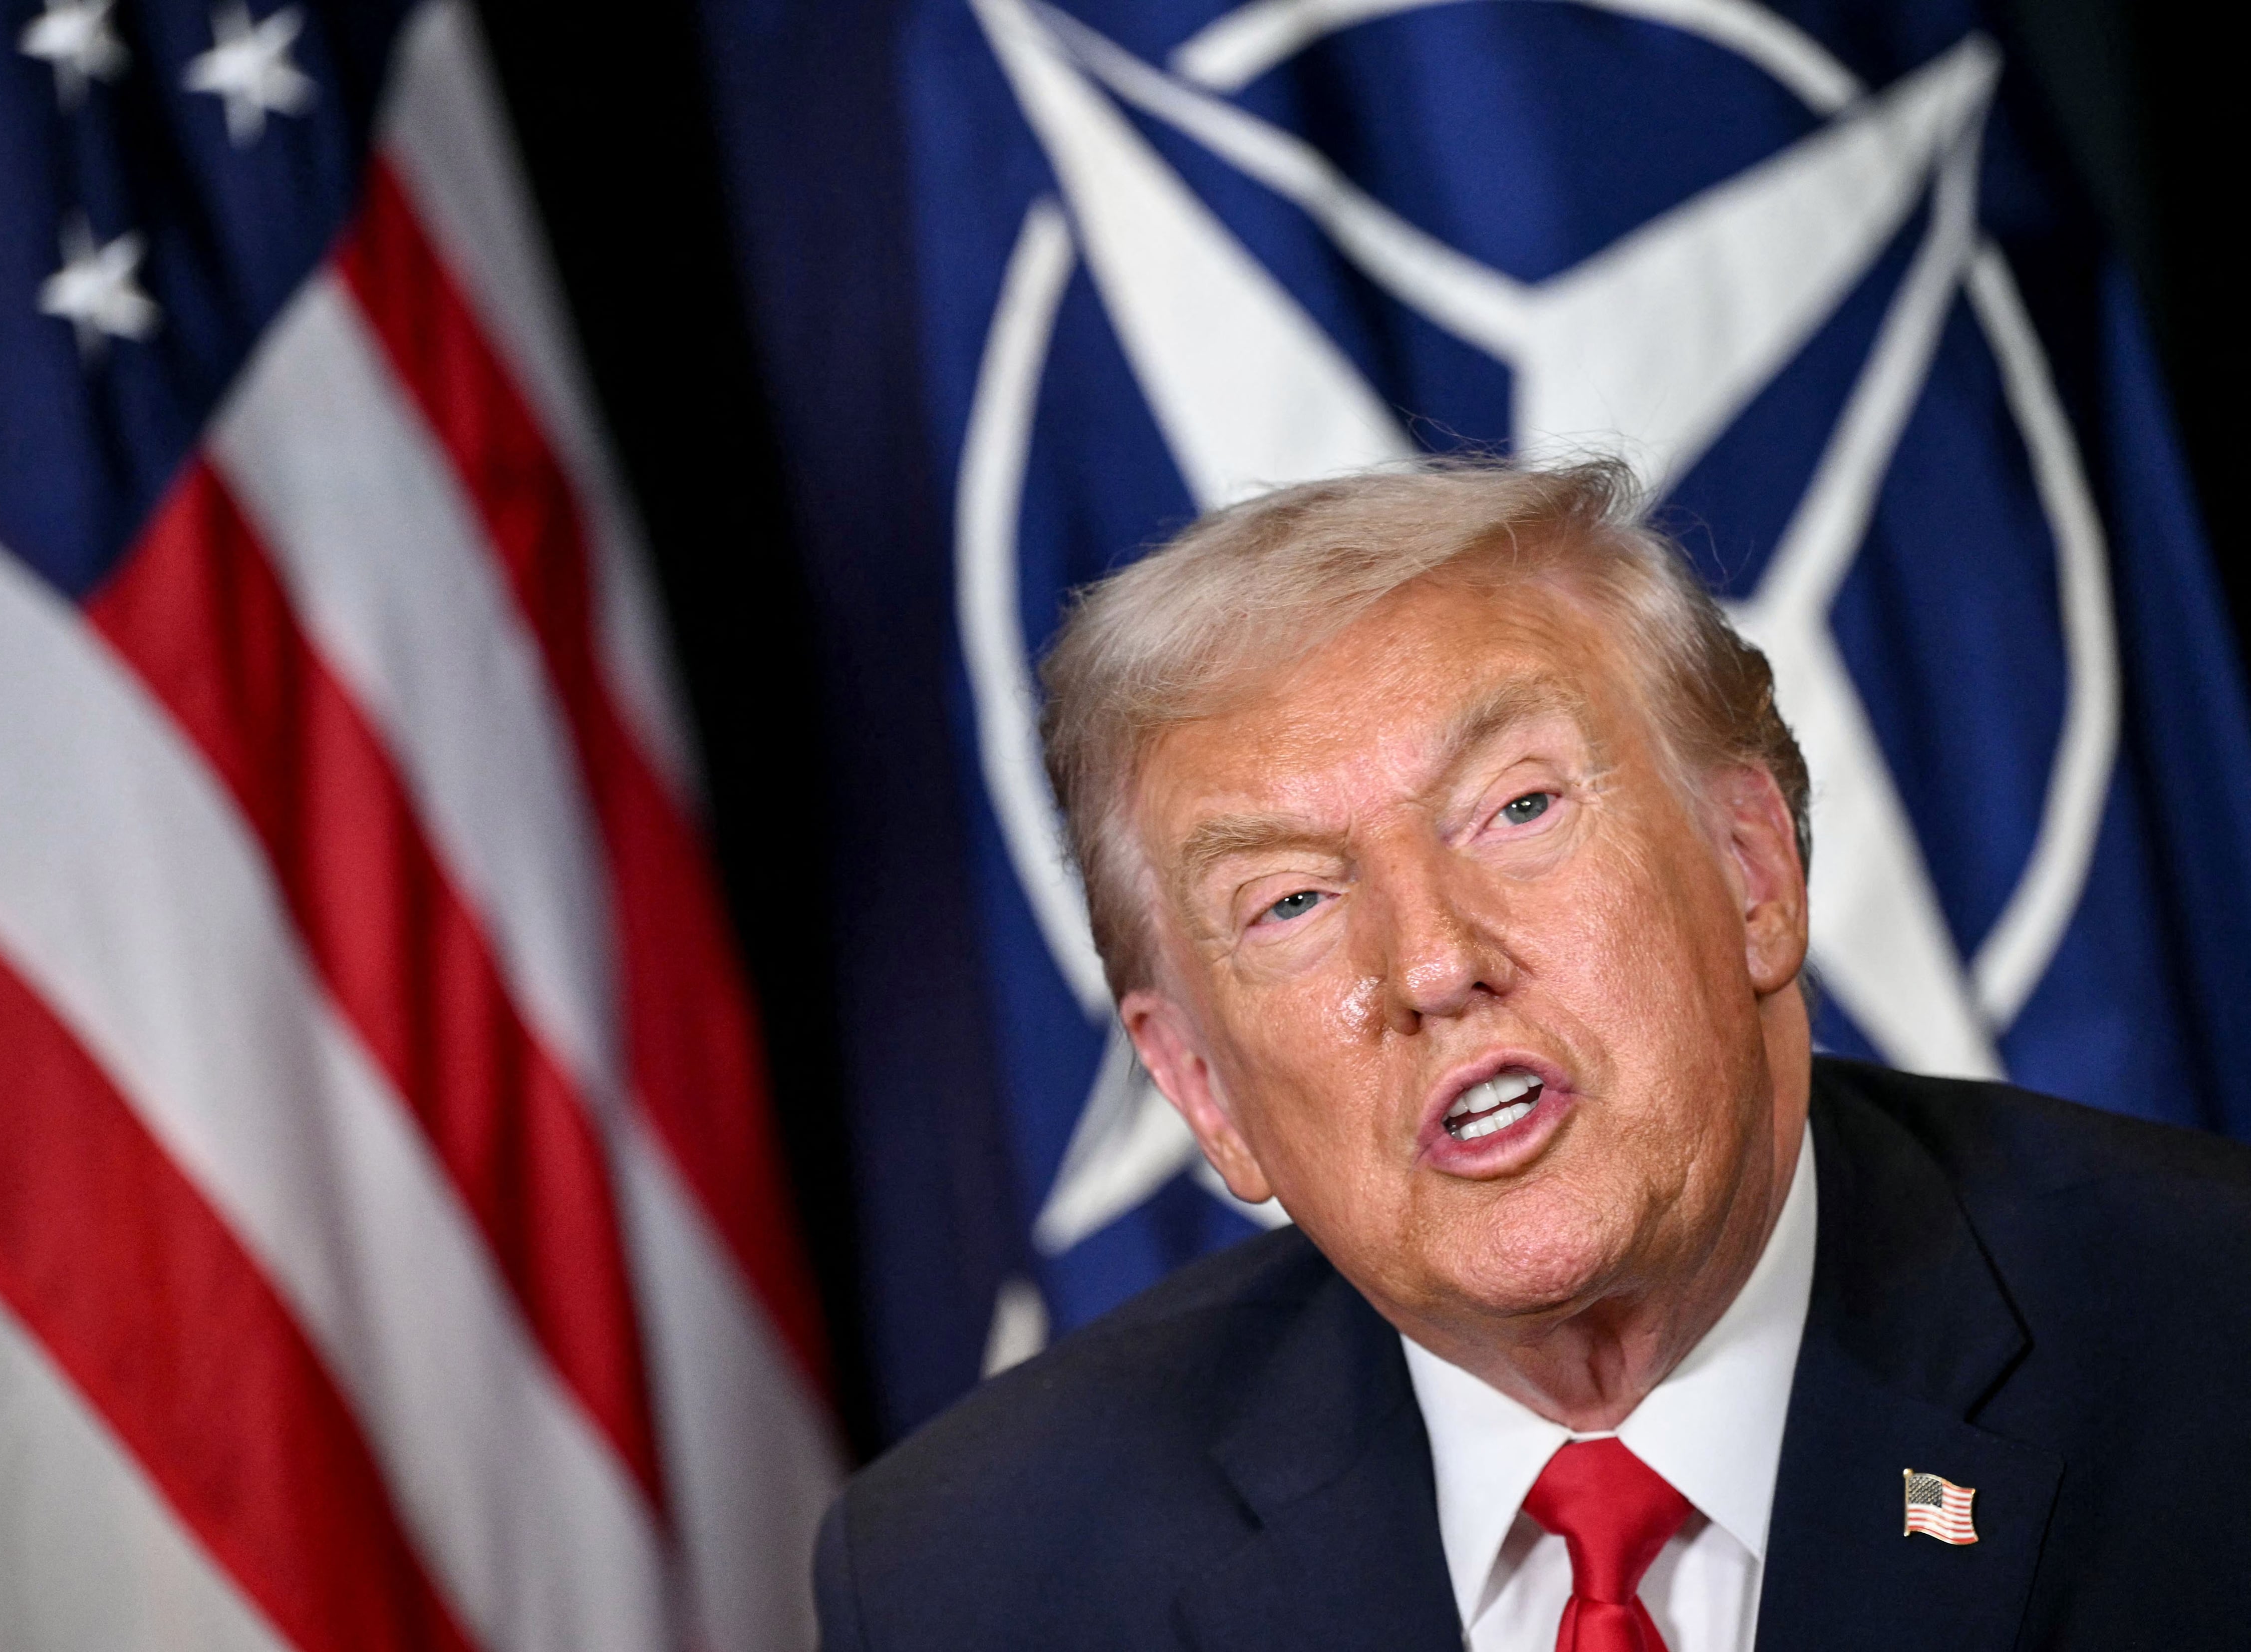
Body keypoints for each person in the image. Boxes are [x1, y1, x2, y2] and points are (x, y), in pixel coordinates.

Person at [812, 459, 2251, 1651]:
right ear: (1199, 1088)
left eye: (1516, 810)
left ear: (1754, 873)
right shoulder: (982, 1578)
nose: (1434, 963)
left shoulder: (2215, 1350)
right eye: (1294, 903)